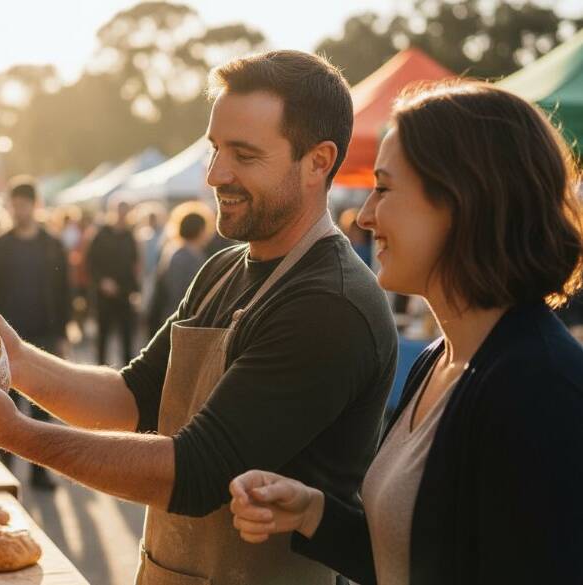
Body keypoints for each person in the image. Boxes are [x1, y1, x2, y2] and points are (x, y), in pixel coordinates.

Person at [0, 50, 396, 585]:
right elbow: (132, 397)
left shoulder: (329, 303)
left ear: (318, 161)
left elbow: (197, 472)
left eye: (243, 155)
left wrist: (14, 431)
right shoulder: (223, 267)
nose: (214, 174)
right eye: (215, 149)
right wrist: (16, 362)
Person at [229, 81, 583, 585]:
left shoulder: (537, 387)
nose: (367, 216)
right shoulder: (441, 358)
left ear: (462, 200)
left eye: (385, 187)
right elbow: (415, 559)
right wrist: (313, 513)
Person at [0, 178, 70, 489]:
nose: (19, 211)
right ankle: (4, 470)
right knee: (4, 404)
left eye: (24, 204)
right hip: (3, 338)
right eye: (14, 205)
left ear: (35, 205)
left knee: (42, 407)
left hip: (43, 334)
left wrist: (63, 330)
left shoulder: (52, 245)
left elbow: (64, 290)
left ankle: (40, 472)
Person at [87, 199, 140, 365]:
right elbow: (90, 262)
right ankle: (100, 367)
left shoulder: (130, 236)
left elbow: (135, 263)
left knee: (127, 335)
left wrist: (135, 290)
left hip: (124, 292)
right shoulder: (101, 234)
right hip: (103, 293)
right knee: (103, 335)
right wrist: (102, 281)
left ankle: (128, 370)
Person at [146, 201, 213, 333]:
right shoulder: (181, 255)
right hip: (179, 322)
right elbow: (177, 294)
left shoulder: (179, 251)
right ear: (200, 229)